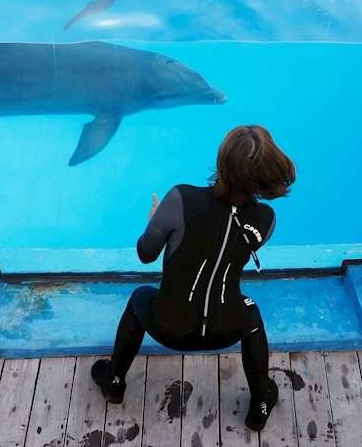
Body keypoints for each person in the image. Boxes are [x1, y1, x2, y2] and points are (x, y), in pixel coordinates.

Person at [91, 125, 296, 431]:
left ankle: (115, 381)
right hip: (226, 330)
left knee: (139, 298)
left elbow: (145, 253)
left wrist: (155, 223)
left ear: (222, 161)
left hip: (168, 327)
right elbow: (225, 242)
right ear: (265, 174)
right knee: (251, 314)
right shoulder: (266, 220)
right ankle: (261, 400)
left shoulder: (181, 199)